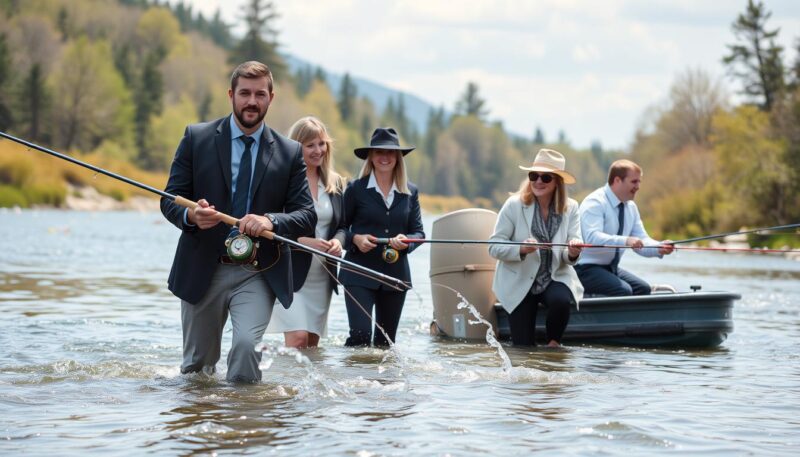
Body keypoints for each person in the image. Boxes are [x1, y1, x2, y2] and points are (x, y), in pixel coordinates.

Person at [160, 61, 316, 382]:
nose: (251, 101)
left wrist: (271, 221)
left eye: (260, 94)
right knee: (197, 370)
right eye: (244, 93)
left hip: (257, 272)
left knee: (246, 348)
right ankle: (200, 426)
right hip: (203, 266)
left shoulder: (290, 153)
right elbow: (169, 198)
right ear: (231, 94)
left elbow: (306, 215)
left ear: (271, 98)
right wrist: (191, 216)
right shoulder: (196, 138)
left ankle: (243, 424)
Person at [489, 148, 584, 347]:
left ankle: (553, 346)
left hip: (554, 276)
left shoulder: (572, 207)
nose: (538, 181)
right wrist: (521, 249)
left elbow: (571, 247)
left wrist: (573, 253)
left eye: (546, 177)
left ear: (557, 181)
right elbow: (493, 246)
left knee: (561, 301)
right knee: (523, 348)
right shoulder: (513, 205)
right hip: (518, 280)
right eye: (534, 175)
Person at [339, 127, 425, 347]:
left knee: (385, 343)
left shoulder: (410, 192)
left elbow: (419, 233)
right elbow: (338, 229)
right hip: (358, 273)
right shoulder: (355, 189)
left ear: (398, 158)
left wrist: (405, 242)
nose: (384, 157)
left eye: (390, 153)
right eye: (379, 152)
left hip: (394, 278)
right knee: (360, 336)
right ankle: (352, 379)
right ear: (371, 156)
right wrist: (355, 239)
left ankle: (382, 383)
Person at [266, 116, 346, 348]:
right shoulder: (281, 181)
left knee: (311, 343)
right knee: (298, 337)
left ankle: (299, 385)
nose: (318, 150)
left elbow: (343, 226)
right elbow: (274, 224)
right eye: (310, 145)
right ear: (296, 146)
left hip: (322, 276)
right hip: (289, 272)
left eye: (321, 143)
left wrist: (339, 242)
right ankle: (282, 385)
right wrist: (303, 242)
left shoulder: (336, 183)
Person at [575, 159, 674, 296]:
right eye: (634, 182)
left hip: (610, 269)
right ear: (617, 180)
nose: (638, 186)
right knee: (624, 291)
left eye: (639, 182)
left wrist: (660, 248)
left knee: (643, 289)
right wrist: (626, 240)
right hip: (584, 269)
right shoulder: (595, 202)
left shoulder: (631, 207)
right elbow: (592, 238)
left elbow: (642, 240)